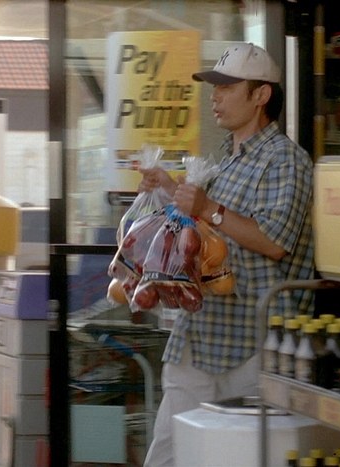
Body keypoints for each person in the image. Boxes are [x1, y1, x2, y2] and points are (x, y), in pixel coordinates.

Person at [138, 42, 315, 466]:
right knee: (168, 453)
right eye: (214, 87)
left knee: (238, 457)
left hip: (250, 346)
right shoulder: (224, 159)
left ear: (261, 95)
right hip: (200, 334)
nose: (215, 97)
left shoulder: (286, 160)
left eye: (227, 87)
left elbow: (273, 241)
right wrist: (170, 190)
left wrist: (207, 208)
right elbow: (208, 233)